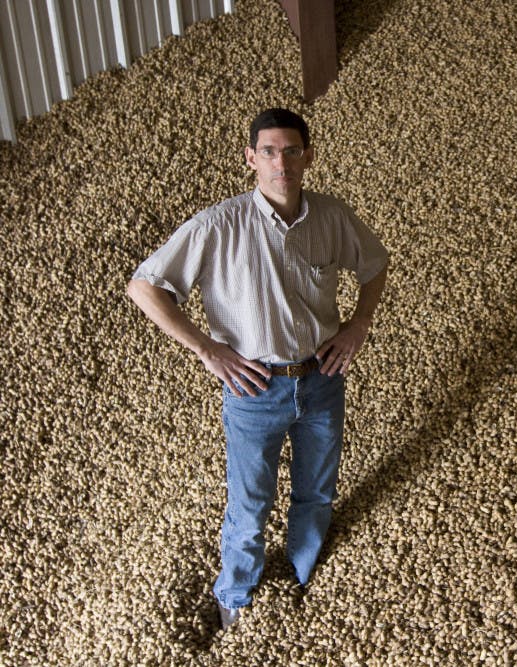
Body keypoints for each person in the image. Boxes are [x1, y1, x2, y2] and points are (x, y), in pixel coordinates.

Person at [127, 107, 389, 630]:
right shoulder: (218, 225)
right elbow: (144, 286)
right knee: (249, 504)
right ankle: (236, 597)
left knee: (316, 490)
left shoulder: (333, 217)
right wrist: (207, 349)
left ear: (308, 157)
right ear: (251, 159)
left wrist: (358, 325)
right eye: (269, 151)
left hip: (321, 378)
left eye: (292, 151)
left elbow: (375, 266)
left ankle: (302, 575)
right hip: (254, 389)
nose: (281, 162)